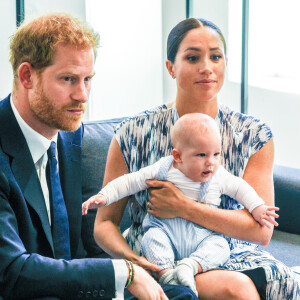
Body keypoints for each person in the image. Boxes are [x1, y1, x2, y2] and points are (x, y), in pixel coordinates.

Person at [93, 17, 300, 299]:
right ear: (171, 68)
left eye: (216, 56)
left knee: (259, 285)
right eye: (192, 57)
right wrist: (136, 264)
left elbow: (261, 232)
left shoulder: (253, 135)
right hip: (154, 252)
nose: (206, 67)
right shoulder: (132, 133)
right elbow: (104, 224)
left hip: (223, 251)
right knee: (238, 290)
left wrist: (183, 206)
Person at [0, 13, 198, 300]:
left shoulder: (68, 134)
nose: (82, 95)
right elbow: (12, 272)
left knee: (179, 296)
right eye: (68, 79)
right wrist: (123, 273)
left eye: (87, 79)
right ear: (27, 76)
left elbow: (77, 249)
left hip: (70, 288)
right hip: (25, 292)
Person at [82, 112, 279, 295]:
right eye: (201, 155)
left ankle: (191, 265)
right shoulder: (165, 168)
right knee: (151, 239)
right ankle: (166, 274)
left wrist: (258, 207)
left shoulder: (218, 176)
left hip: (203, 234)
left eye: (216, 154)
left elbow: (241, 188)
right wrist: (105, 196)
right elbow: (130, 181)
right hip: (165, 229)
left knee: (220, 246)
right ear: (178, 156)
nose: (210, 162)